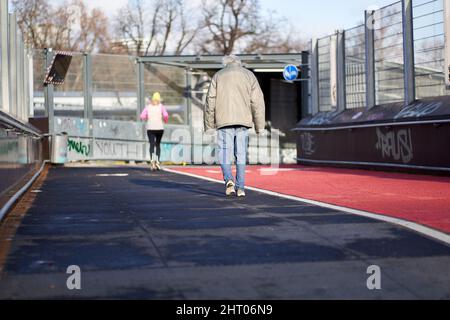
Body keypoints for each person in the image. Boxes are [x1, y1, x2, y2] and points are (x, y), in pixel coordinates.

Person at [204, 55, 265, 198]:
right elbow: (257, 102)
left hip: (224, 121)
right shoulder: (249, 75)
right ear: (239, 63)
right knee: (241, 154)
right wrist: (259, 126)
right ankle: (241, 188)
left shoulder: (218, 76)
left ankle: (229, 180)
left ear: (225, 63)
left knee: (225, 152)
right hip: (243, 121)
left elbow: (210, 100)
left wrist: (209, 125)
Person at [140, 92, 169, 171]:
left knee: (152, 145)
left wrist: (147, 118)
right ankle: (158, 161)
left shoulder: (148, 107)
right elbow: (166, 115)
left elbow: (142, 116)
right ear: (159, 100)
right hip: (159, 128)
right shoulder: (161, 107)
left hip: (151, 128)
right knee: (158, 145)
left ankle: (152, 161)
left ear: (152, 99)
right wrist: (165, 121)